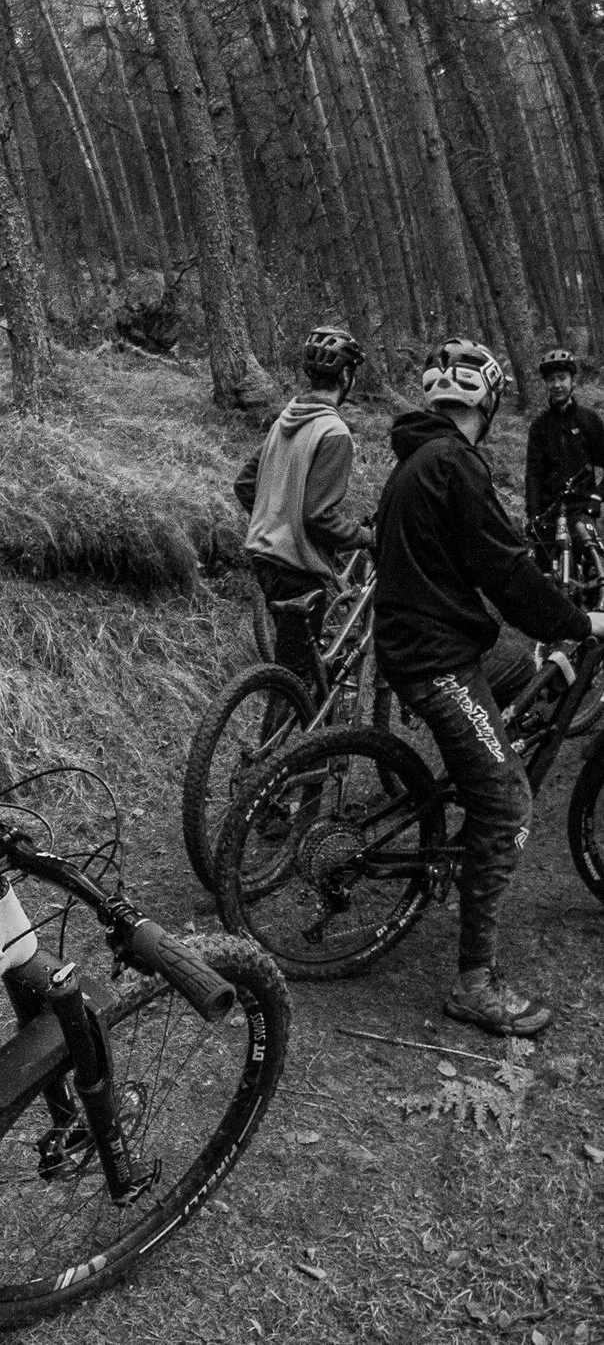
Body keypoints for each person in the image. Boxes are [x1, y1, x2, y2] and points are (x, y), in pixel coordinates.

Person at [374, 339, 604, 1037]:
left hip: (434, 640)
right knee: (507, 804)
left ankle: (483, 753)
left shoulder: (416, 459)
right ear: (490, 402)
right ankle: (475, 981)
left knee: (528, 657)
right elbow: (505, 570)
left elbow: (487, 565)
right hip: (437, 659)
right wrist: (579, 618)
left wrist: (550, 629)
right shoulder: (455, 464)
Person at [233, 325, 372, 694]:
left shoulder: (285, 419)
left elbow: (246, 485)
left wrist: (274, 519)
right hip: (296, 568)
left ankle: (311, 746)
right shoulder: (333, 432)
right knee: (296, 678)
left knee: (296, 667)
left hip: (263, 558)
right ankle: (279, 751)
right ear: (346, 376)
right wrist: (365, 537)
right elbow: (319, 516)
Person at [524, 347, 604, 528]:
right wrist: (533, 515)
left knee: (592, 552)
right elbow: (533, 475)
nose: (557, 385)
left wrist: (597, 497)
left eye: (562, 378)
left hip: (582, 511)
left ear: (572, 381)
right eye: (551, 380)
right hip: (549, 512)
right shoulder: (539, 426)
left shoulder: (588, 420)